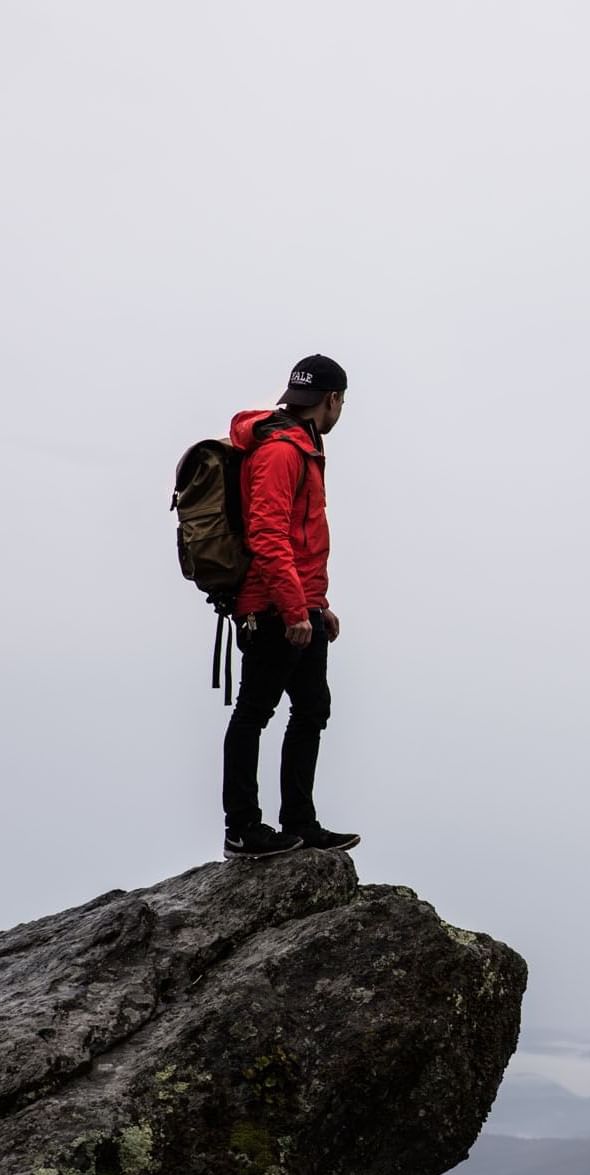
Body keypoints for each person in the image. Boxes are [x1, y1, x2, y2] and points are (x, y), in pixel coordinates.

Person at [220, 354, 362, 859]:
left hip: (300, 604)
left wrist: (317, 606)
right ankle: (242, 828)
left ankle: (299, 823)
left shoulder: (305, 446)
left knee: (311, 710)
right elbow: (267, 534)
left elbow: (302, 539)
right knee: (255, 711)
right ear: (332, 399)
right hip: (272, 607)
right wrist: (294, 609)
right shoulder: (281, 451)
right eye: (342, 401)